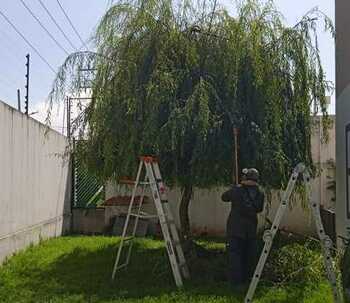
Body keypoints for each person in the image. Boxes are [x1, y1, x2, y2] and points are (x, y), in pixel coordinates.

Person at [221, 168, 265, 287]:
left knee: (235, 254)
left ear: (245, 178)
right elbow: (259, 209)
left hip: (235, 229)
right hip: (250, 228)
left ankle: (236, 283)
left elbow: (223, 197)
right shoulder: (260, 192)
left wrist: (234, 188)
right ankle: (247, 280)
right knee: (248, 255)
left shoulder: (237, 189)